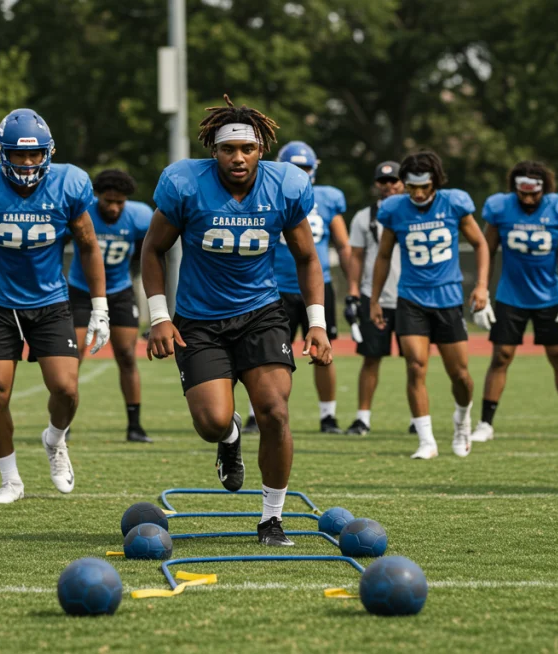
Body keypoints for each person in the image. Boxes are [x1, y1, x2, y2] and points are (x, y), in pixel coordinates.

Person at [141, 95, 332, 546]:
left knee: (275, 411)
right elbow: (153, 249)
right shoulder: (186, 184)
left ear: (261, 149)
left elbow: (307, 257)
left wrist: (318, 323)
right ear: (215, 151)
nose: (238, 157)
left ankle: (271, 519)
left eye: (247, 148)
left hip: (262, 314)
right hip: (200, 320)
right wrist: (159, 316)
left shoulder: (285, 186)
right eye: (229, 149)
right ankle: (229, 438)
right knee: (211, 420)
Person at [0, 108, 110, 504]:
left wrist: (99, 307)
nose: (29, 162)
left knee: (66, 389)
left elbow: (88, 245)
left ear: (49, 152)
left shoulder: (69, 184)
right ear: (2, 153)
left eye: (35, 155)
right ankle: (10, 479)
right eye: (19, 154)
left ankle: (55, 438)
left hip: (51, 301)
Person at [370, 150, 490, 459]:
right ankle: (426, 440)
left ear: (436, 182)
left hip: (448, 298)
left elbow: (480, 244)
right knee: (415, 366)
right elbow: (383, 256)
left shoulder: (454, 202)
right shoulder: (395, 209)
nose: (419, 193)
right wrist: (374, 299)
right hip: (411, 298)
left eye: (425, 186)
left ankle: (462, 421)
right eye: (413, 187)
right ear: (404, 184)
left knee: (460, 375)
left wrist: (481, 286)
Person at [471, 162, 558, 443]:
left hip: (549, 296)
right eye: (522, 194)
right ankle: (485, 424)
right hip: (510, 295)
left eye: (533, 195)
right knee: (501, 356)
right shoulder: (500, 208)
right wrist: (482, 292)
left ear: (544, 189)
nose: (527, 200)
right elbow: (486, 251)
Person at [243, 141, 350, 435]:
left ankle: (328, 416)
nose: (300, 174)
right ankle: (255, 413)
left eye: (304, 168)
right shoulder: (267, 192)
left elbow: (343, 245)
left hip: (317, 286)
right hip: (273, 288)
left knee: (323, 353)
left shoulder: (328, 198)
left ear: (314, 169)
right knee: (263, 356)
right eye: (295, 168)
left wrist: (353, 287)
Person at [66, 169, 153, 443]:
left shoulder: (140, 216)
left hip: (118, 290)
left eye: (119, 202)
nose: (114, 207)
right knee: (72, 356)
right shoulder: (83, 210)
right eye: (108, 201)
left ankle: (135, 426)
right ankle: (62, 423)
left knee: (126, 355)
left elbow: (146, 251)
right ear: (98, 197)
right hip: (82, 290)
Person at [343, 160, 406, 435]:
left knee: (416, 361)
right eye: (384, 181)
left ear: (404, 182)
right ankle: (363, 418)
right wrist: (354, 293)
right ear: (376, 185)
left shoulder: (414, 213)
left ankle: (418, 419)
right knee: (371, 358)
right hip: (375, 297)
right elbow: (356, 257)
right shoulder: (364, 217)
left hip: (409, 297)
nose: (389, 186)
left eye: (394, 181)